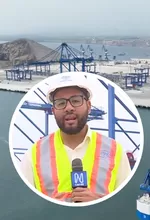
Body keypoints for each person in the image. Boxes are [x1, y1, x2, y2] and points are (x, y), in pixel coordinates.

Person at [20, 74, 132, 203]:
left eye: (76, 101)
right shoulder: (33, 155)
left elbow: (125, 203)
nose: (69, 108)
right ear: (53, 110)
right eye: (61, 103)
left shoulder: (115, 151)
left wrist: (100, 202)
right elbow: (25, 204)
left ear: (89, 106)